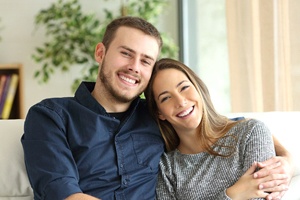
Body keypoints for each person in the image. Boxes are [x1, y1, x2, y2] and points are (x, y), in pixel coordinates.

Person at [21, 16, 292, 200]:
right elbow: (64, 193)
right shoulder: (51, 116)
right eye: (126, 53)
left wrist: (288, 161)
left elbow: (227, 125)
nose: (134, 67)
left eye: (146, 60)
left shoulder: (158, 114)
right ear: (101, 53)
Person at [144, 58, 292, 200]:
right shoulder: (166, 169)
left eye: (184, 87)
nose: (181, 101)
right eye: (166, 98)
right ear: (159, 113)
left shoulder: (250, 133)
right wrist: (233, 194)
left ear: (198, 88)